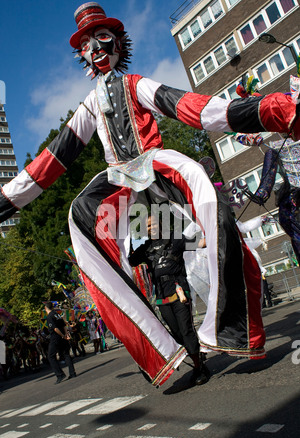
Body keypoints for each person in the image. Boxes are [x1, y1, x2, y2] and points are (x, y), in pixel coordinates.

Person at [0, 2, 299, 386]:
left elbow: (192, 108)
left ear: (118, 45)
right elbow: (51, 161)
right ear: (82, 57)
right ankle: (170, 352)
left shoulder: (135, 84)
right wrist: (5, 200)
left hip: (158, 171)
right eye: (87, 44)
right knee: (98, 227)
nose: (96, 49)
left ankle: (226, 331)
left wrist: (268, 110)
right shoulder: (90, 105)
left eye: (102, 39)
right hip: (124, 190)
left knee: (215, 217)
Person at [129, 214, 209, 386]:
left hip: (179, 292)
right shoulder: (145, 248)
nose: (152, 228)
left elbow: (201, 243)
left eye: (154, 224)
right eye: (148, 226)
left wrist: (215, 231)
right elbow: (130, 261)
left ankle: (199, 368)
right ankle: (197, 354)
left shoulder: (176, 239)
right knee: (177, 335)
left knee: (186, 330)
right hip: (162, 299)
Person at [44, 301, 76, 384]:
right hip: (62, 336)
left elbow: (55, 328)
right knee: (66, 354)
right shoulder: (57, 314)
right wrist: (65, 334)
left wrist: (62, 335)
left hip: (56, 337)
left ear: (45, 308)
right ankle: (72, 373)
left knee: (51, 356)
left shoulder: (50, 316)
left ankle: (60, 374)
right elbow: (63, 325)